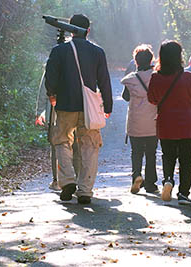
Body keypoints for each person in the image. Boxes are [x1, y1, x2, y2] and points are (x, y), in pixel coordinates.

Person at [44, 14, 113, 205]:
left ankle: (67, 181)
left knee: (61, 142)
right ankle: (85, 191)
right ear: (88, 31)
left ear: (69, 28)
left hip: (65, 105)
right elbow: (104, 81)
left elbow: (51, 76)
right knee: (90, 146)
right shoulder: (97, 52)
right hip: (89, 108)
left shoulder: (59, 50)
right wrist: (107, 105)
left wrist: (52, 95)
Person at [147, 40, 191, 205]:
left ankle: (168, 180)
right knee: (186, 159)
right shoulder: (189, 77)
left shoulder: (156, 78)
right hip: (187, 123)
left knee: (168, 155)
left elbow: (152, 99)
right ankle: (184, 193)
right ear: (180, 56)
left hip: (166, 122)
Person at [119, 44, 159, 195]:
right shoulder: (156, 77)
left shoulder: (131, 79)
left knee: (136, 152)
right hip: (153, 121)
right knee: (151, 153)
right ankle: (151, 184)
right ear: (151, 60)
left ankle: (136, 176)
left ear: (136, 61)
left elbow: (125, 97)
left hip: (135, 121)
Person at [35, 69, 80, 192]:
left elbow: (44, 89)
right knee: (76, 146)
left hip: (55, 112)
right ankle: (76, 179)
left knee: (57, 146)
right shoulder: (78, 60)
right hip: (77, 110)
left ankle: (57, 180)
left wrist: (39, 111)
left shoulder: (54, 61)